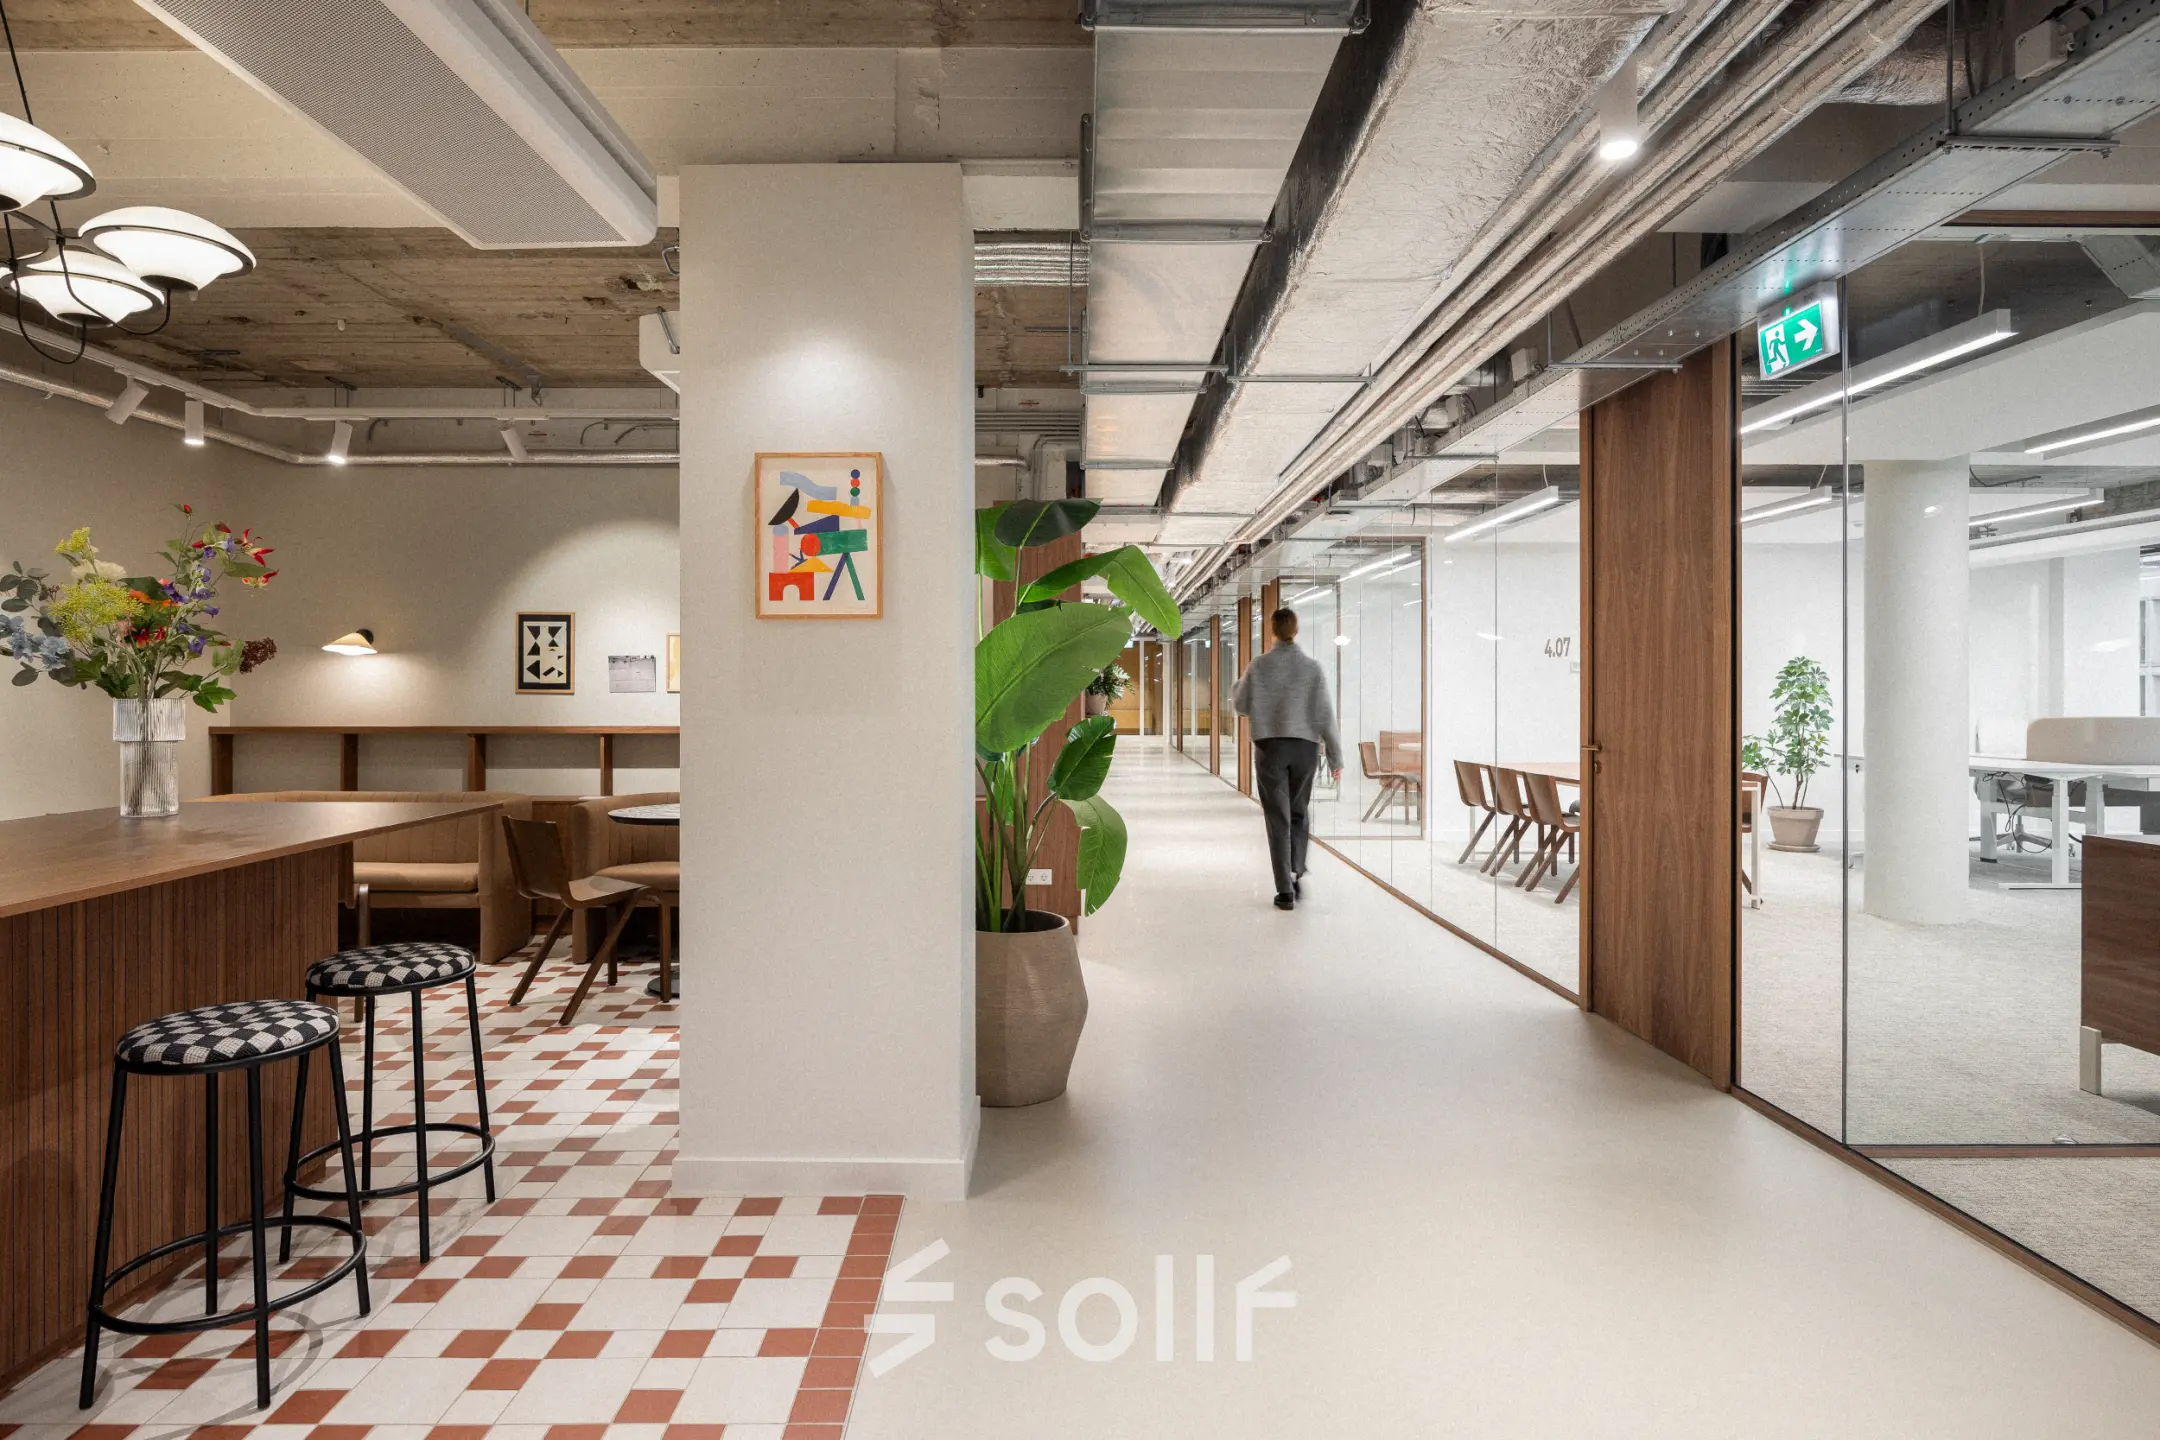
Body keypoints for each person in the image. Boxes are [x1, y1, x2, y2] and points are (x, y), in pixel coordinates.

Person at [1231, 607, 1344, 910]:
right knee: (1298, 811)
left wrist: (1241, 689)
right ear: (1296, 631)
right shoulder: (1312, 668)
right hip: (1306, 749)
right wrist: (1336, 758)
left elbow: (1240, 705)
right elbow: (1324, 715)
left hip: (1270, 748)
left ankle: (1285, 891)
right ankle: (1297, 869)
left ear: (1272, 630)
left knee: (1277, 817)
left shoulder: (1259, 666)